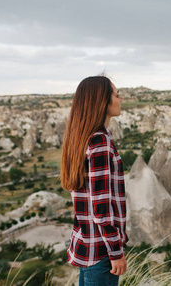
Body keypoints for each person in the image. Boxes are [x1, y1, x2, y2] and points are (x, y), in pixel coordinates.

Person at [60, 76, 127, 286]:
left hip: (86, 245)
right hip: (101, 252)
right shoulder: (100, 142)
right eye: (116, 95)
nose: (121, 98)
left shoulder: (82, 137)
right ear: (103, 102)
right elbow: (101, 208)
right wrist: (116, 252)